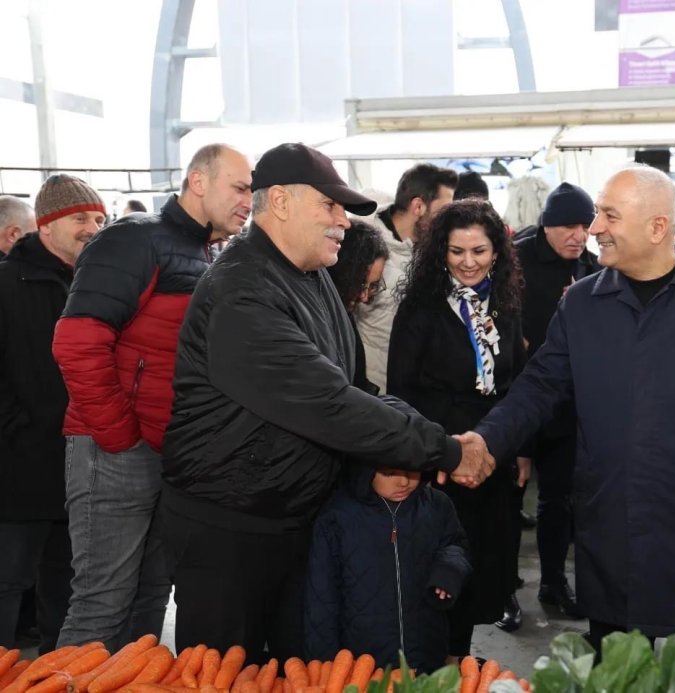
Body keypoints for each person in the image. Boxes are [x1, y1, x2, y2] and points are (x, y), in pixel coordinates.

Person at [159, 143, 491, 663]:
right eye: (330, 206)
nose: (344, 222)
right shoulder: (241, 290)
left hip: (291, 521)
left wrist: (433, 436)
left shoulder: (311, 279)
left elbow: (354, 385)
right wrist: (446, 450)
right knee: (221, 673)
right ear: (283, 203)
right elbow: (330, 404)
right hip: (229, 535)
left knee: (300, 668)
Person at [463, 166, 675, 693]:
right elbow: (539, 386)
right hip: (614, 530)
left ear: (658, 227)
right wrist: (485, 441)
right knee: (616, 674)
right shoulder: (584, 303)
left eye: (609, 215)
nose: (594, 228)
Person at [50, 144, 253, 651]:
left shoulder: (211, 252)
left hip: (168, 451)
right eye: (240, 187)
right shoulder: (135, 240)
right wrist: (120, 436)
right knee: (102, 603)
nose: (249, 201)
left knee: (149, 600)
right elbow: (77, 341)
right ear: (198, 182)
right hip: (116, 446)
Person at [386, 199, 531, 659]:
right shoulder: (420, 307)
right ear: (440, 253)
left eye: (480, 251)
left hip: (494, 458)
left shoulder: (505, 305)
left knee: (482, 569)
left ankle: (459, 660)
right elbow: (401, 392)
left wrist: (517, 448)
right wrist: (428, 455)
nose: (468, 262)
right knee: (436, 572)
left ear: (497, 253)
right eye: (456, 252)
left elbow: (515, 382)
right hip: (440, 462)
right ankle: (431, 666)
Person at [0, 175, 105, 652]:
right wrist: (17, 426)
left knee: (67, 589)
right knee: (7, 583)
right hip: (18, 467)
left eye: (100, 219)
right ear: (45, 225)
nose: (93, 228)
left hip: (81, 467)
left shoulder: (98, 284)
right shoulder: (6, 283)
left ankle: (56, 677)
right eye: (80, 218)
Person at [514, 182, 600, 622]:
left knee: (559, 500)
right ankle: (504, 591)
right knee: (508, 502)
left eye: (586, 226)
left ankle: (552, 582)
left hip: (572, 403)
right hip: (520, 397)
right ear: (547, 225)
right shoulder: (515, 260)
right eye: (568, 225)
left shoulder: (593, 265)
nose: (578, 235)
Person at [304, 465, 471, 673]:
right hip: (363, 662)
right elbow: (321, 599)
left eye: (413, 471)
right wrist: (324, 665)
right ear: (366, 469)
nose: (404, 482)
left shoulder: (437, 505)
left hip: (426, 650)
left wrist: (449, 570)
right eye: (390, 473)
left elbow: (455, 544)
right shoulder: (336, 517)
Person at [354, 163, 458, 392]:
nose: (449, 219)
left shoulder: (435, 252)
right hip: (375, 387)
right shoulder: (360, 248)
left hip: (420, 386)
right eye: (444, 210)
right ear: (418, 206)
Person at [327, 219, 390, 394]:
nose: (364, 296)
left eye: (373, 286)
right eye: (361, 283)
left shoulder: (345, 315)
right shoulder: (323, 318)